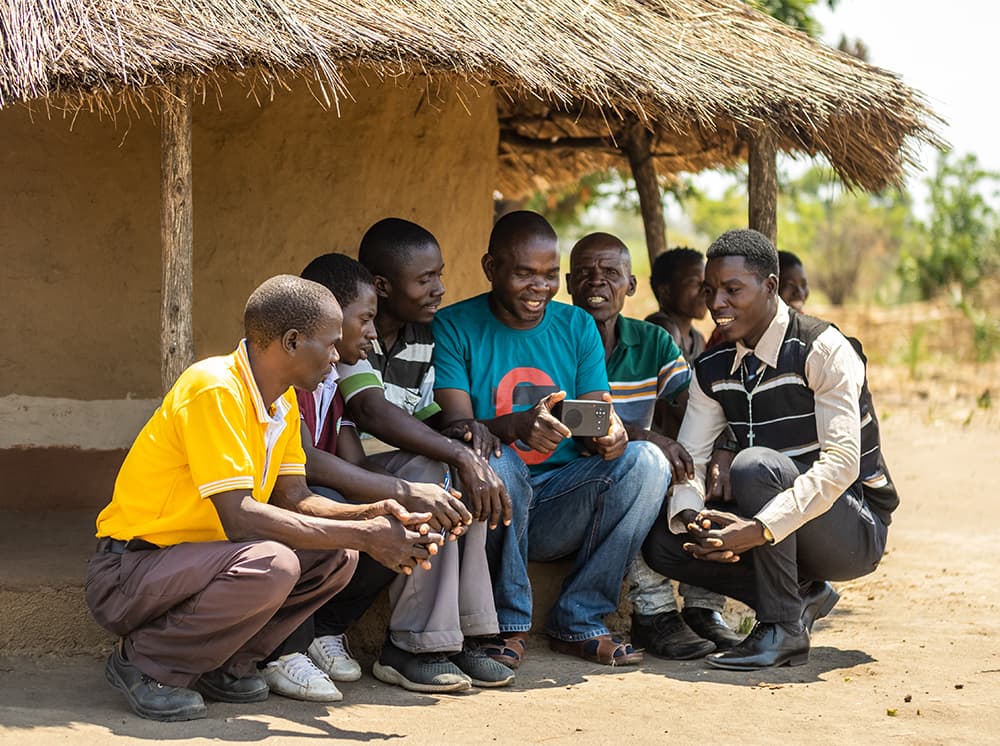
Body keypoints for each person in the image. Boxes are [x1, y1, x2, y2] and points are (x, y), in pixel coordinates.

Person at [85, 275, 440, 721]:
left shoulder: (282, 402)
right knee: (274, 562)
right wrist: (367, 534)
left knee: (339, 556)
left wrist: (372, 515)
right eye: (330, 345)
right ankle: (148, 663)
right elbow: (239, 518)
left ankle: (224, 663)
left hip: (194, 563)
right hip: (130, 571)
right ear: (292, 341)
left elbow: (297, 498)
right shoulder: (215, 387)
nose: (336, 357)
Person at [643, 229, 899, 670]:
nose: (717, 303)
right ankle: (802, 593)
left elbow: (840, 466)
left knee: (754, 466)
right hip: (782, 522)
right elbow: (692, 461)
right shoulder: (713, 369)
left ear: (771, 287)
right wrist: (694, 519)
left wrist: (757, 529)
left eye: (732, 289)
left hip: (853, 526)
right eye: (709, 291)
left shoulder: (823, 349)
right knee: (665, 544)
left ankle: (782, 629)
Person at [433, 211, 670, 667]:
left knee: (648, 462)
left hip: (563, 499)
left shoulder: (576, 326)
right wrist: (518, 426)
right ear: (490, 268)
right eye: (524, 274)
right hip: (494, 503)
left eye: (547, 275)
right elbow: (458, 426)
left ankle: (579, 619)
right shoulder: (454, 325)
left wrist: (612, 434)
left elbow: (597, 414)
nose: (539, 287)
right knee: (492, 460)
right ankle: (508, 623)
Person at [295, 248, 513, 693]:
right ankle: (415, 645)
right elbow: (310, 459)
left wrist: (455, 451)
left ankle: (462, 634)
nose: (372, 334)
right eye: (364, 319)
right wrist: (406, 491)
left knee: (444, 479)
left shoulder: (331, 381)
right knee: (426, 482)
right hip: (290, 502)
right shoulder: (295, 377)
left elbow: (351, 458)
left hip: (329, 493)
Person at [566, 233, 740, 659]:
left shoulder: (653, 342)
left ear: (631, 286)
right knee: (646, 465)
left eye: (610, 273)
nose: (597, 283)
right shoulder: (553, 336)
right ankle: (654, 613)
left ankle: (702, 607)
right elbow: (569, 417)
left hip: (631, 471)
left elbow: (695, 405)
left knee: (708, 470)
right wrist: (646, 437)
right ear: (568, 284)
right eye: (586, 274)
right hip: (569, 484)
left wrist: (724, 448)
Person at [647, 246, 709, 361]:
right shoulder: (662, 330)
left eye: (706, 283)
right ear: (665, 291)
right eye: (695, 282)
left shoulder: (698, 340)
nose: (705, 289)